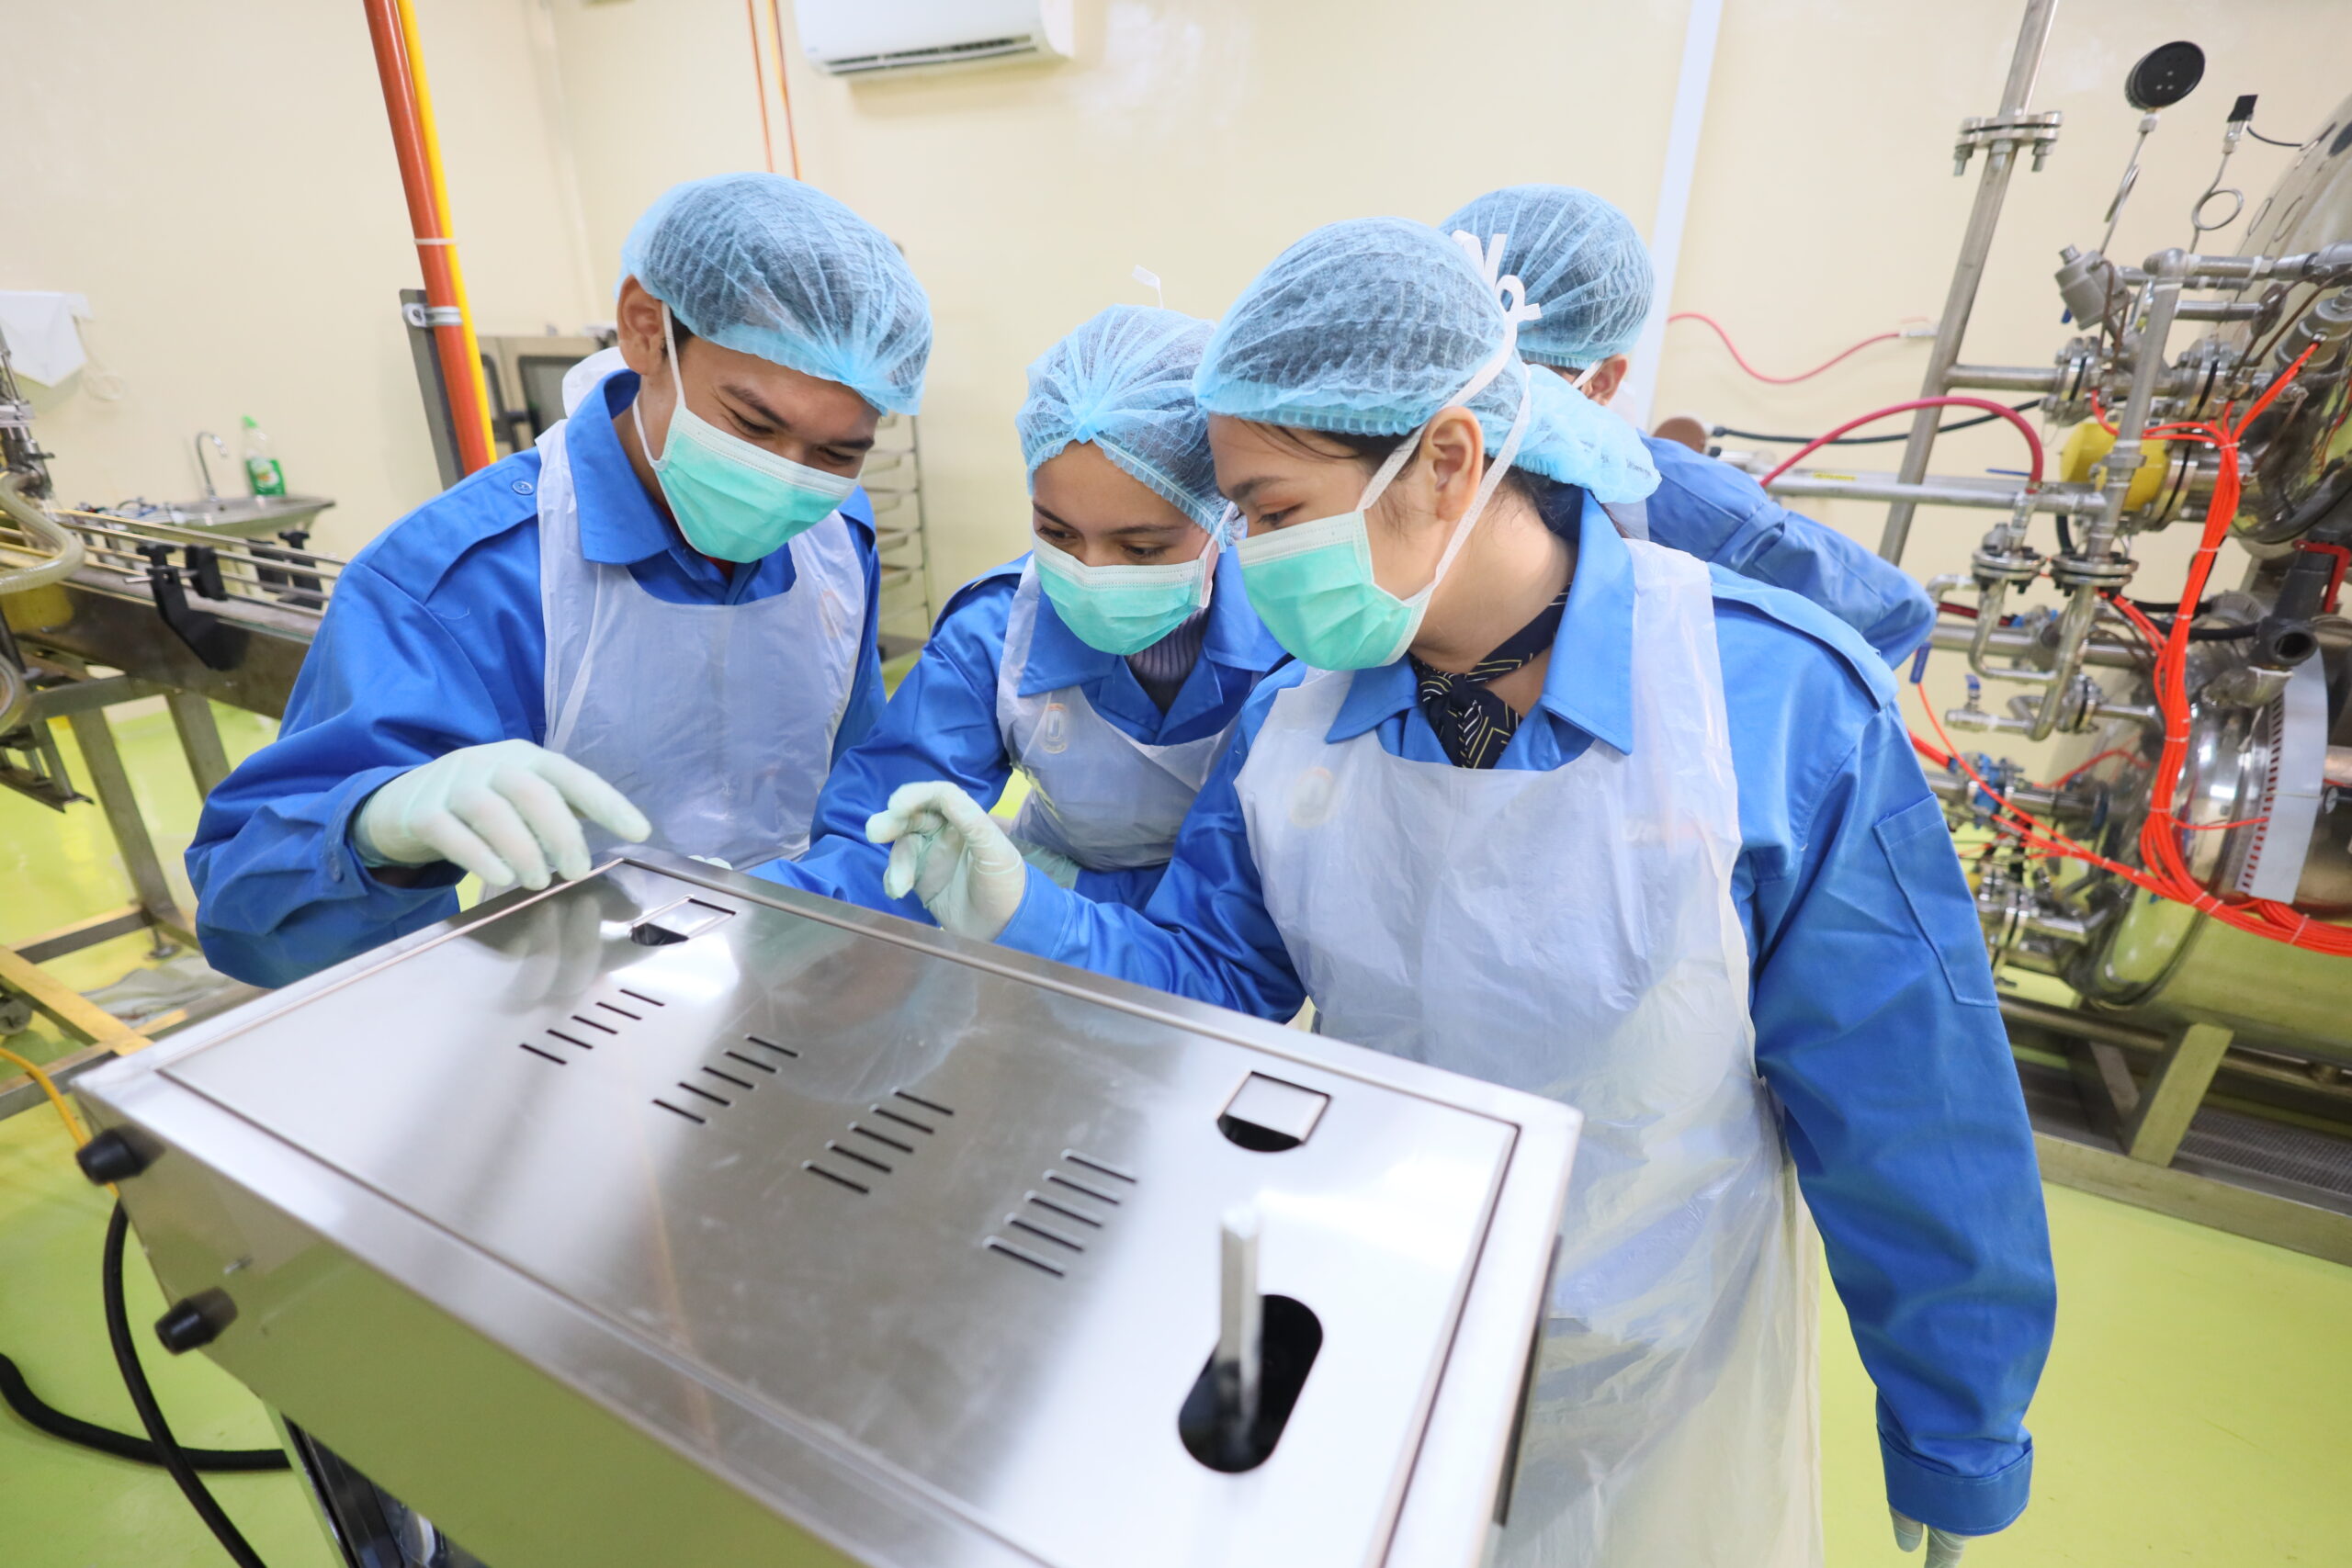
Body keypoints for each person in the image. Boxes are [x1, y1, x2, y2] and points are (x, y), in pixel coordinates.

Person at [862, 219, 2052, 1568]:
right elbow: (1213, 982)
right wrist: (1024, 911)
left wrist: (1957, 1416)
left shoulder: (1762, 702)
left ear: (1445, 460)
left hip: (1661, 1347)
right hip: (1383, 1312)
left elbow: (1908, 1097)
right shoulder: (1292, 721)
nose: (1250, 557)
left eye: (1273, 513)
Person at [189, 174, 929, 987]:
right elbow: (244, 920)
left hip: (788, 967)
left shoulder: (836, 537)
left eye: (836, 453)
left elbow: (853, 782)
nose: (786, 481)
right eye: (753, 424)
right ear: (646, 330)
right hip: (570, 997)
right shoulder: (459, 581)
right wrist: (374, 836)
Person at [753, 303, 1285, 916]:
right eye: (1056, 533)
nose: (1089, 571)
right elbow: (882, 831)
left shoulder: (1291, 641)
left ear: (1225, 515)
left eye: (1140, 549)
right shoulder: (997, 630)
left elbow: (1252, 906)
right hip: (1039, 925)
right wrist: (756, 914)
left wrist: (1067, 894)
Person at [1442, 183, 1935, 664]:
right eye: (1454, 366)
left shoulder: (1689, 507)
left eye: (1518, 376)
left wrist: (1730, 700)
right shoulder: (1412, 461)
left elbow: (1890, 616)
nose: (1479, 404)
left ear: (1602, 382)